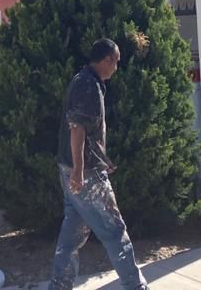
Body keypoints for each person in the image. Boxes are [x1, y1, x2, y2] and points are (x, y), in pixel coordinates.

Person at [49, 38, 148, 290]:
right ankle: (136, 286)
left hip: (76, 169)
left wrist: (103, 160)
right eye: (116, 62)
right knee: (115, 231)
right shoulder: (88, 86)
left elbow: (86, 132)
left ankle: (59, 285)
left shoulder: (83, 81)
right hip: (85, 175)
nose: (117, 67)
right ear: (106, 60)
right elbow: (77, 129)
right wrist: (80, 171)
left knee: (73, 234)